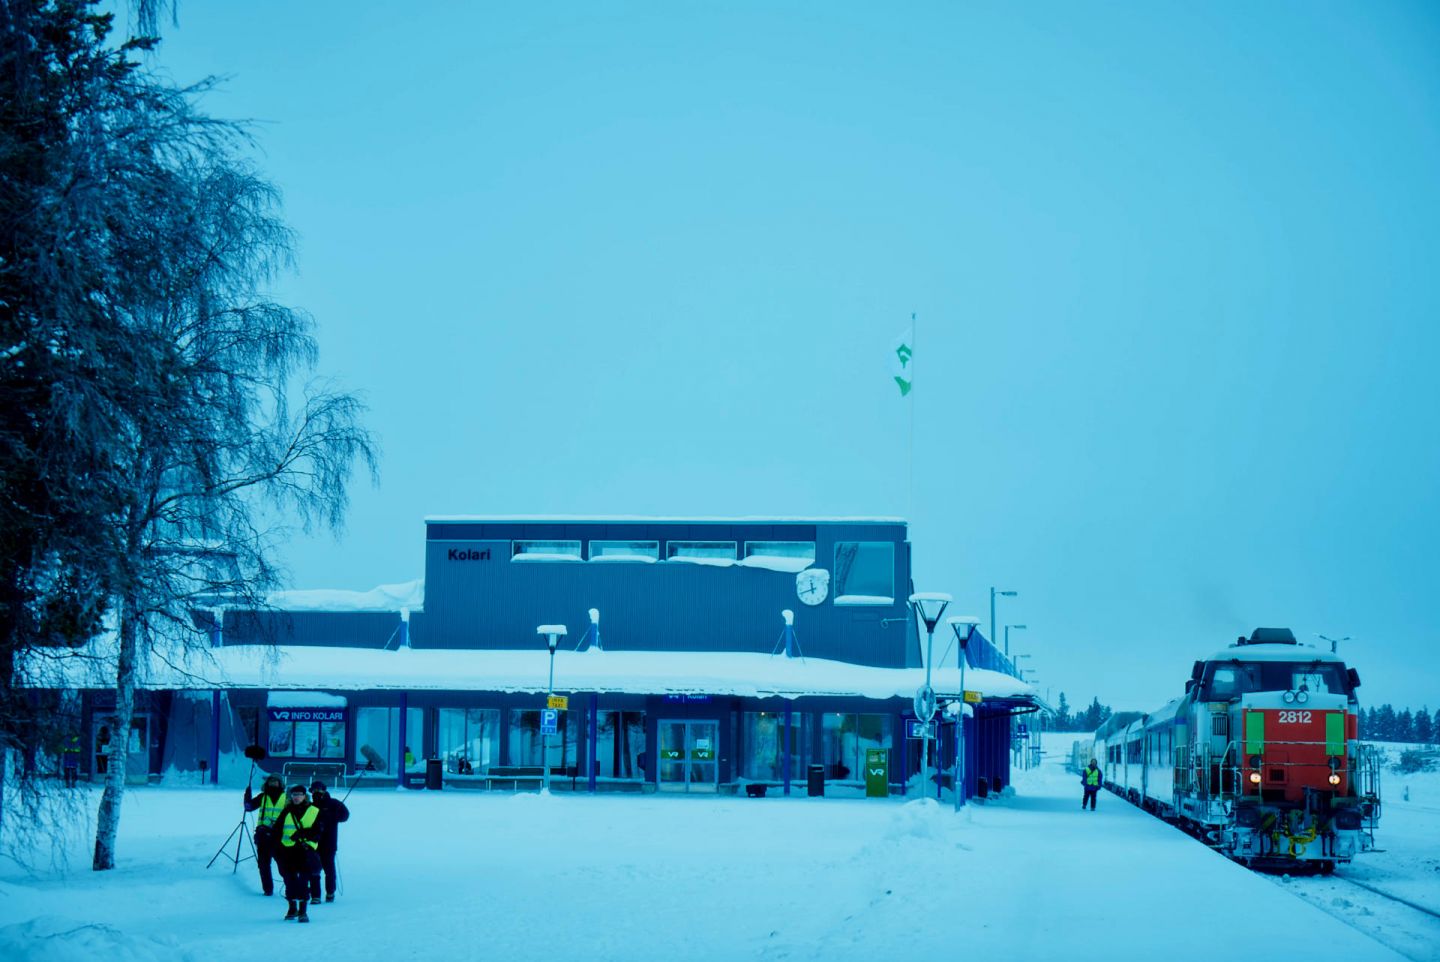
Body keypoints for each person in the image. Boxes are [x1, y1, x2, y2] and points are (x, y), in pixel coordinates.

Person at [276, 784, 322, 923]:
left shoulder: (314, 810)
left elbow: (318, 831)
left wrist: (302, 834)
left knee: (303, 881)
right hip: (287, 850)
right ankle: (292, 907)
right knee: (289, 880)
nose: (296, 797)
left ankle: (303, 910)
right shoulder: (286, 811)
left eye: (299, 794)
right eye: (294, 794)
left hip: (305, 850)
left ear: (304, 796)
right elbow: (278, 830)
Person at [243, 774, 288, 895]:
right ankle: (268, 889)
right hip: (263, 835)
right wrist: (247, 796)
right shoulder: (263, 797)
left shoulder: (286, 797)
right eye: (271, 781)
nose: (273, 783)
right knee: (263, 865)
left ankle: (291, 886)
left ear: (280, 783)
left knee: (283, 864)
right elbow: (248, 807)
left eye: (275, 781)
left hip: (279, 836)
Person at [307, 780, 349, 903]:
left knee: (329, 869)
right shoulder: (310, 805)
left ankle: (330, 892)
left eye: (319, 789)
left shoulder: (334, 803)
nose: (316, 792)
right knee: (313, 869)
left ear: (324, 790)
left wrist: (331, 817)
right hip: (313, 843)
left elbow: (345, 816)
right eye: (314, 790)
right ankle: (315, 895)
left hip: (329, 843)